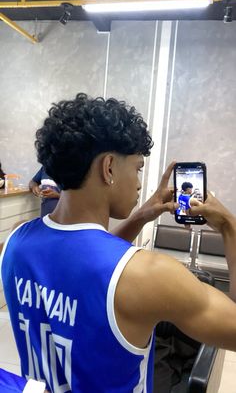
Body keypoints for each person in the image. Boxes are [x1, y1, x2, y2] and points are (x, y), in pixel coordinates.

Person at [1, 93, 236, 393]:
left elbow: (84, 263)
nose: (139, 183)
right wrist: (229, 226)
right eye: (138, 168)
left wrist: (141, 216)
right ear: (109, 167)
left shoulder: (16, 242)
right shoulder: (149, 275)